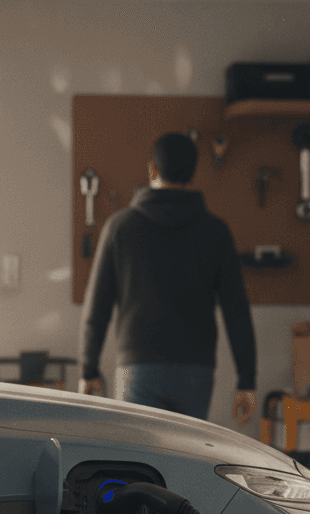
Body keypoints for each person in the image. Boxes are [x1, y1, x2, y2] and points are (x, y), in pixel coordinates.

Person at [78, 132, 256, 425]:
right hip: (195, 370)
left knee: (139, 461)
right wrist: (246, 380)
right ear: (193, 172)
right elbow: (236, 309)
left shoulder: (119, 227)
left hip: (138, 366)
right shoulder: (215, 231)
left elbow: (96, 306)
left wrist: (88, 369)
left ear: (152, 169)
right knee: (187, 458)